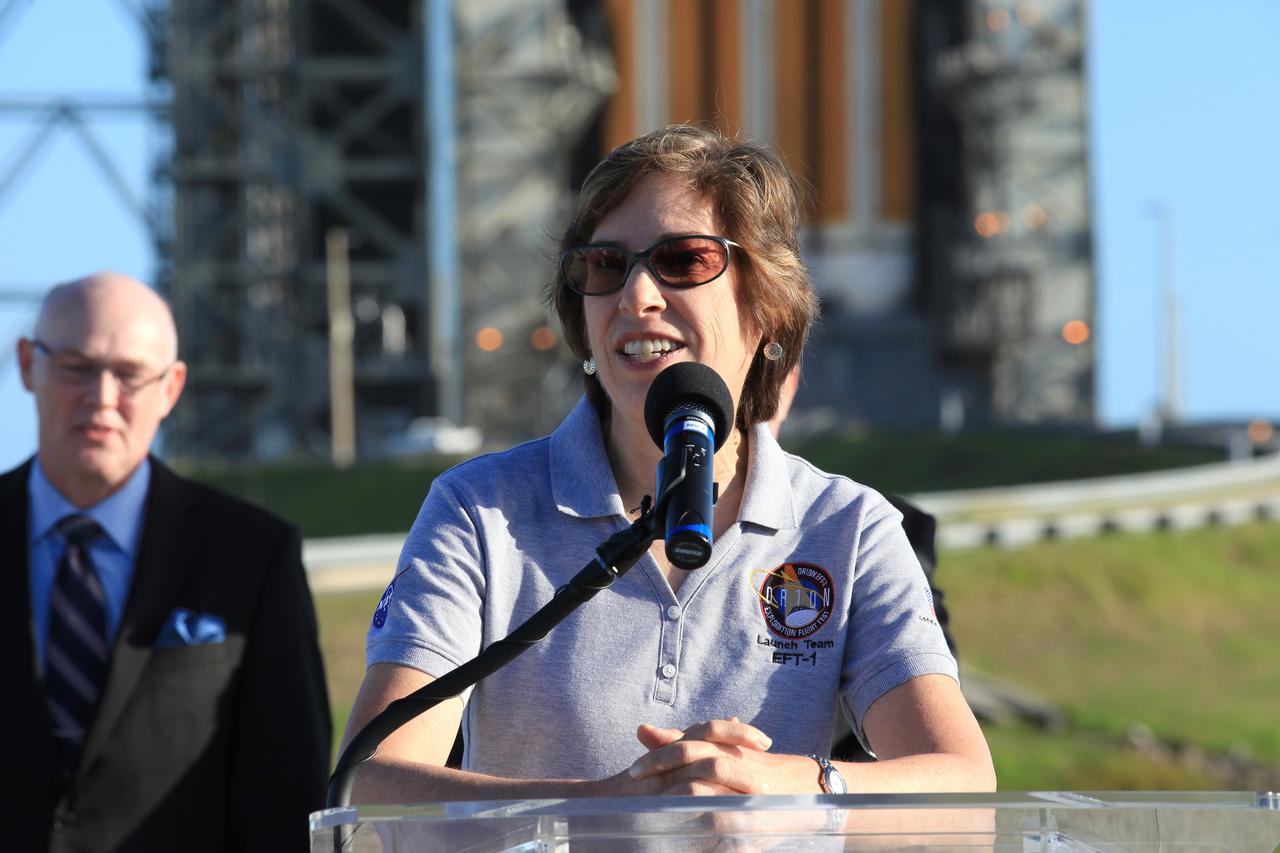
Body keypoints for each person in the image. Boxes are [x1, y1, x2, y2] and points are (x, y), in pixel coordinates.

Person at [344, 125, 994, 802]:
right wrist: (602, 811)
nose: (636, 296)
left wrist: (790, 788)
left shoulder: (850, 527)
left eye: (682, 260)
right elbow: (370, 780)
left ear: (766, 306)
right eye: (605, 265)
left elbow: (966, 789)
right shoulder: (481, 509)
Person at [1, 273, 331, 851]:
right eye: (77, 366)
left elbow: (288, 788)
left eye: (129, 374)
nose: (102, 398)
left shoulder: (251, 557)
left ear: (171, 388)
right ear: (28, 365)